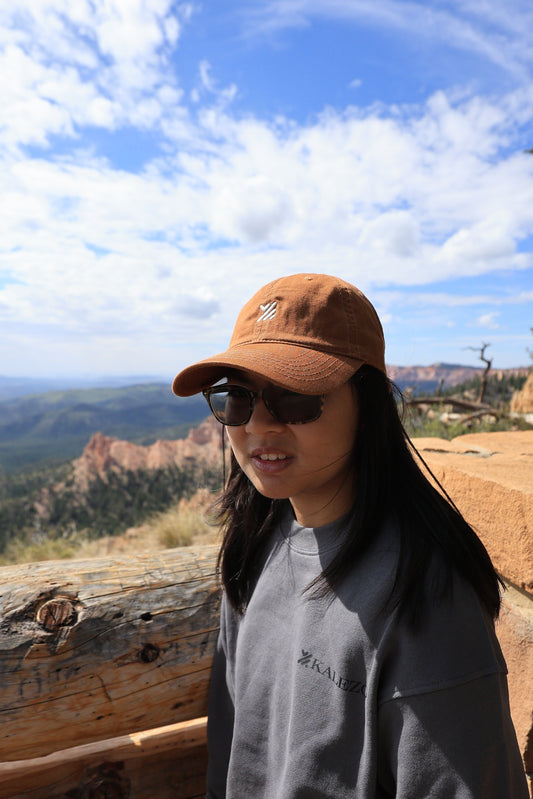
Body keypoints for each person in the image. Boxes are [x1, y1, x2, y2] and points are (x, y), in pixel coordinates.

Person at [172, 273, 528, 799]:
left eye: (296, 398)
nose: (261, 425)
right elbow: (231, 751)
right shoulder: (255, 546)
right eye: (239, 398)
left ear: (370, 407)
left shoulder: (424, 598)